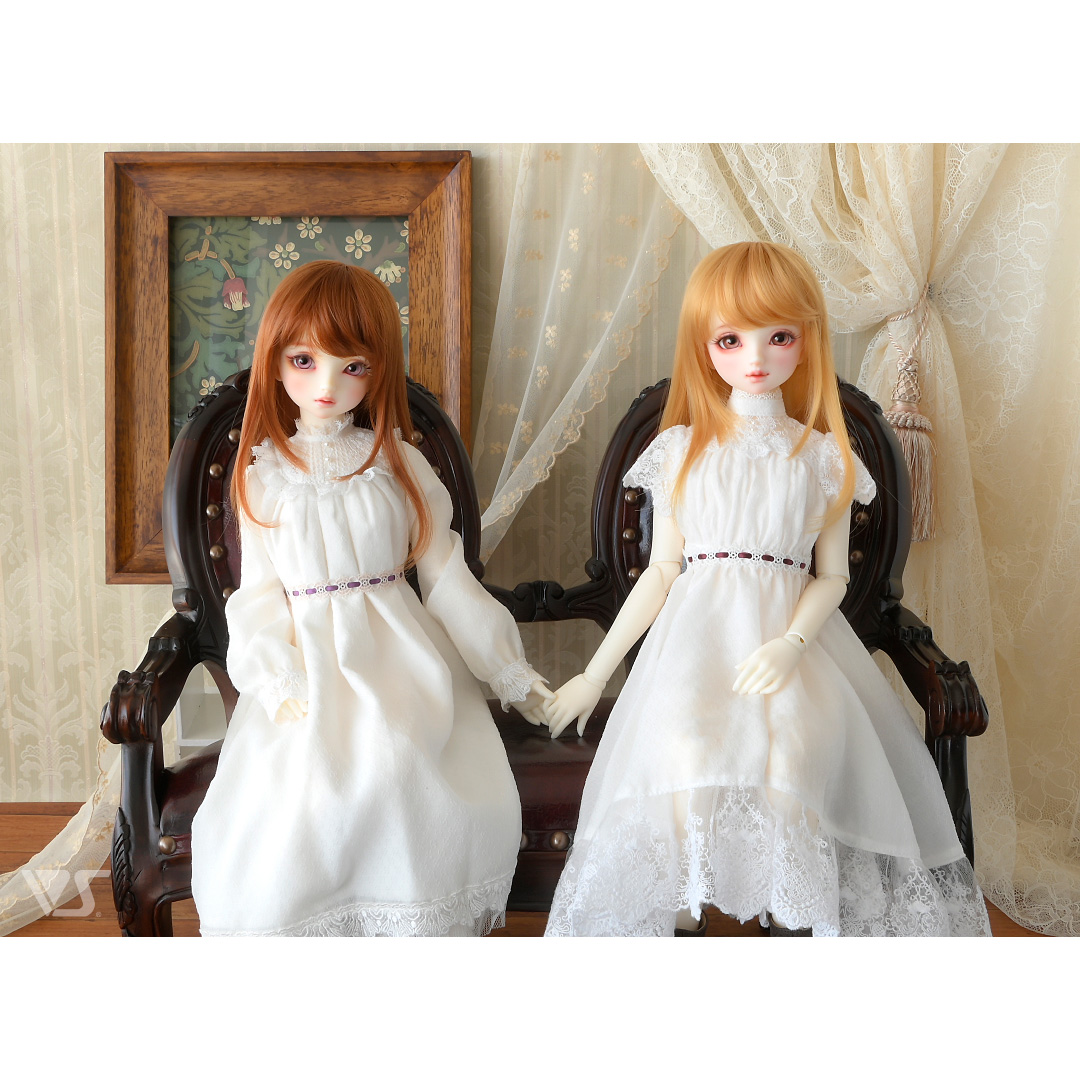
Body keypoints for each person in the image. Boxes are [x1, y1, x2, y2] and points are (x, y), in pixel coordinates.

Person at [542, 241, 991, 937]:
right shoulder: (681, 450)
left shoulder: (822, 457)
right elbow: (661, 571)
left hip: (795, 647)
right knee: (685, 747)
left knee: (794, 758)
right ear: (703, 346)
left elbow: (833, 576)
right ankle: (687, 898)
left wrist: (791, 643)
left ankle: (789, 902)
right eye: (730, 339)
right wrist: (593, 674)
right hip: (695, 644)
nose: (755, 357)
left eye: (779, 336)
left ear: (806, 340)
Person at [191, 260, 551, 936]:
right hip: (310, 667)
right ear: (275, 361)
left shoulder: (396, 462)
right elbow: (259, 596)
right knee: (293, 798)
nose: (327, 385)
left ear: (377, 370)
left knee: (401, 769)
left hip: (401, 658)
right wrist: (275, 678)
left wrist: (508, 670)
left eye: (351, 366)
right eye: (304, 361)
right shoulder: (263, 476)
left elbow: (445, 577)